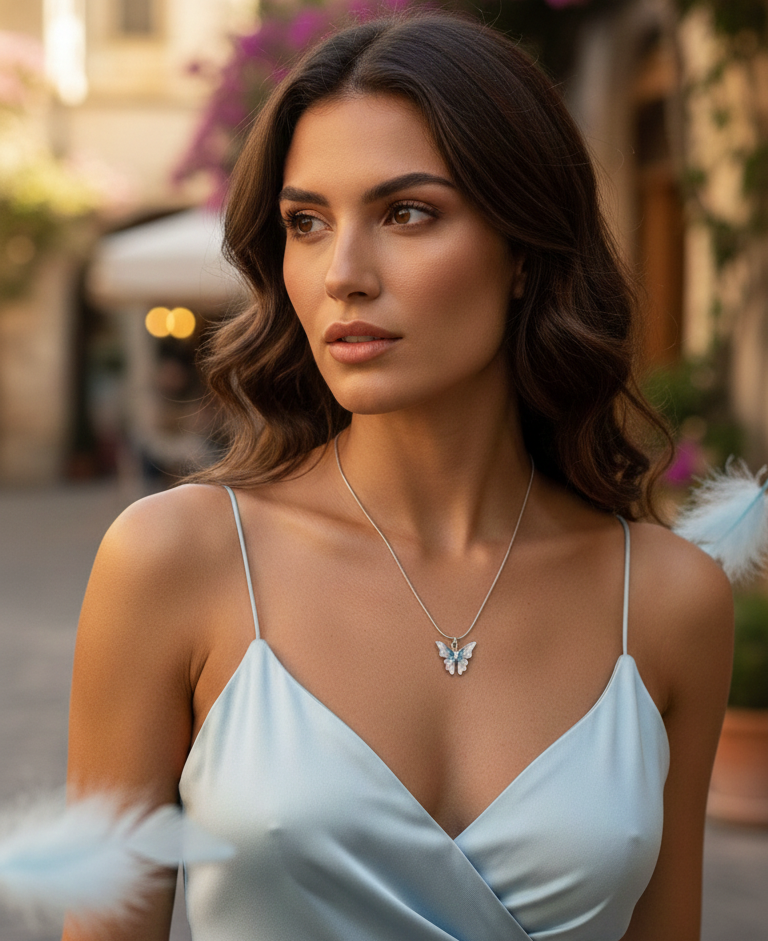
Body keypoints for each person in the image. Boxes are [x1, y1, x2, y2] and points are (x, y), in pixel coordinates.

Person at [64, 11, 734, 941]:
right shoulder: (176, 560)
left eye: (407, 213)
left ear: (525, 255)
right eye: (306, 222)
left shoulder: (668, 601)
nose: (343, 273)